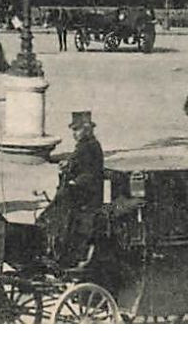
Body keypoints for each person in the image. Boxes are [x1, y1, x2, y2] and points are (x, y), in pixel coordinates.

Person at [53, 111, 105, 269]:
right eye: (73, 131)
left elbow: (91, 173)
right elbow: (75, 162)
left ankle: (66, 254)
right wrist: (67, 165)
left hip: (88, 196)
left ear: (88, 129)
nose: (74, 134)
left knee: (62, 212)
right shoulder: (84, 146)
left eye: (77, 130)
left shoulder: (90, 147)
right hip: (83, 192)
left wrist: (74, 182)